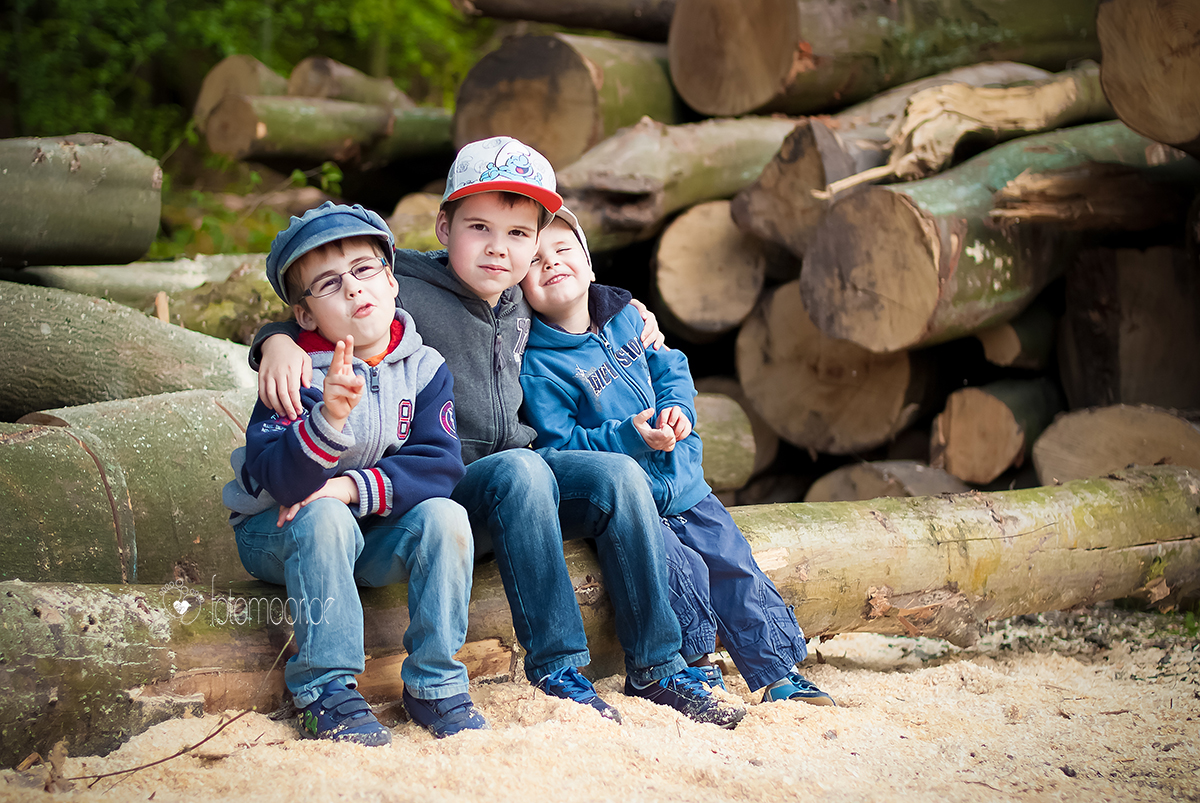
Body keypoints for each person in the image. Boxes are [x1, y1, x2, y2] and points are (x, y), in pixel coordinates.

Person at [251, 137, 745, 728]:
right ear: (443, 227)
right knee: (521, 469)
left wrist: (632, 312)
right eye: (478, 228)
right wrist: (273, 341)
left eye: (518, 236)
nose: (497, 250)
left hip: (522, 468)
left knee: (616, 474)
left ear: (536, 243)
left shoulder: (520, 293)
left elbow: (584, 297)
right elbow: (328, 294)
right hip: (438, 482)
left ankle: (658, 666)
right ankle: (558, 664)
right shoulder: (403, 279)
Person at [517, 206, 837, 707]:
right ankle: (695, 667)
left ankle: (776, 670)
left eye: (563, 249)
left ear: (589, 262)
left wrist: (677, 408)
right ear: (521, 284)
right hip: (634, 505)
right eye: (534, 260)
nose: (552, 263)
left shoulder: (627, 318)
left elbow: (671, 367)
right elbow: (560, 449)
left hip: (684, 482)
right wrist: (628, 436)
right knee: (680, 572)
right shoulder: (540, 364)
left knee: (735, 565)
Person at [224, 202, 488, 744]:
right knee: (322, 514)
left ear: (392, 281)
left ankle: (435, 683)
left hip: (363, 530)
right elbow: (282, 481)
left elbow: (439, 465)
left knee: (445, 516)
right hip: (277, 530)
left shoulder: (424, 367)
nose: (352, 288)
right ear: (304, 315)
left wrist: (349, 487)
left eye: (365, 270)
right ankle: (325, 688)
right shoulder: (294, 370)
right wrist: (328, 420)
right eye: (328, 283)